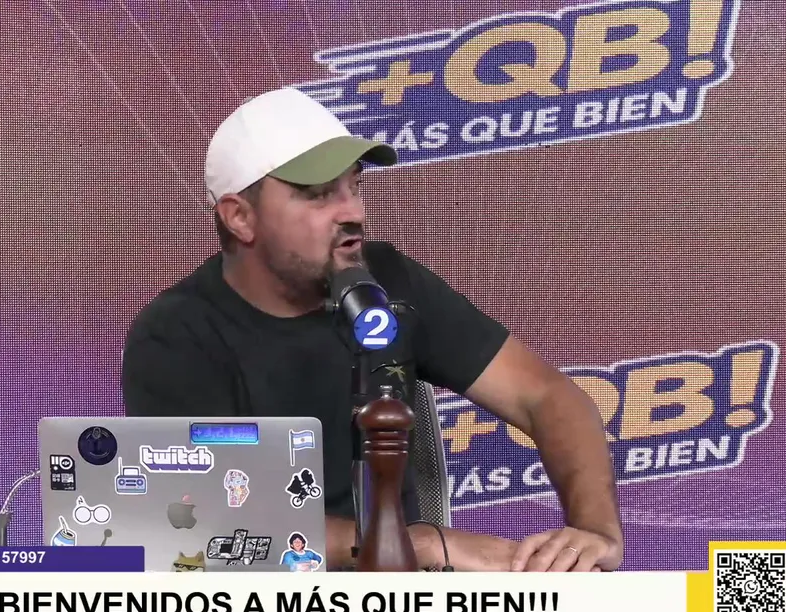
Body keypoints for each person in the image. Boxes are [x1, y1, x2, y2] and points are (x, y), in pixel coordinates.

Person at [122, 87, 623, 572]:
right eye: (318, 195)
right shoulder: (176, 335)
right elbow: (204, 522)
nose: (354, 213)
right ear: (240, 218)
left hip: (405, 602)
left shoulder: (387, 282)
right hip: (261, 609)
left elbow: (546, 396)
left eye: (354, 186)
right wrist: (421, 543)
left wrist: (595, 533)